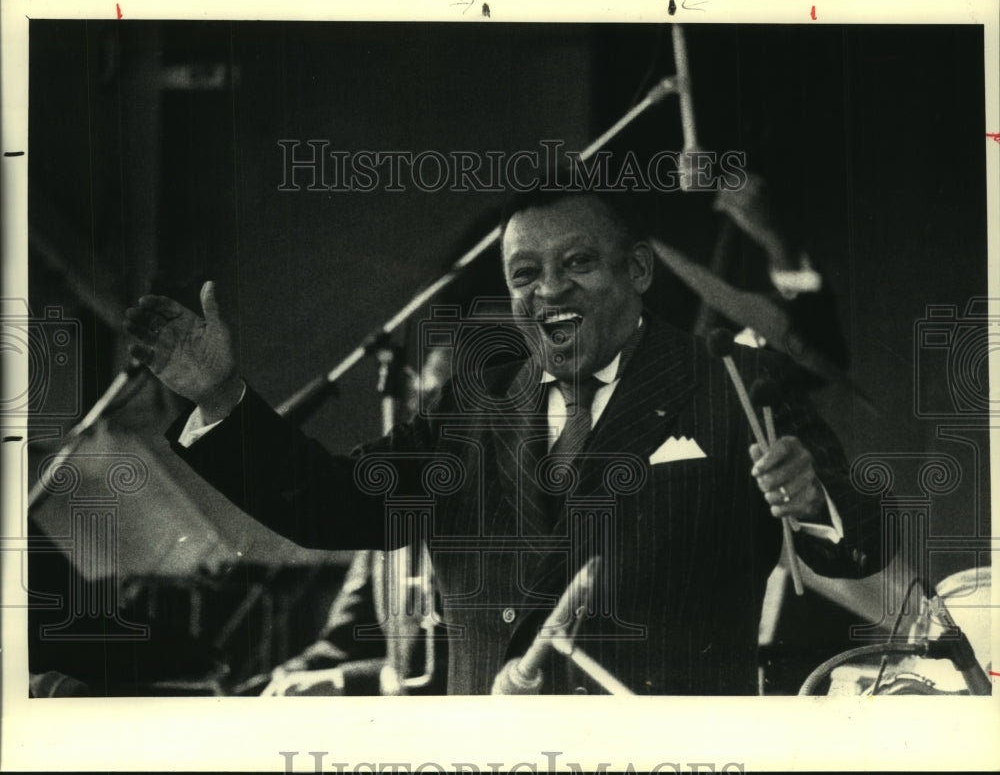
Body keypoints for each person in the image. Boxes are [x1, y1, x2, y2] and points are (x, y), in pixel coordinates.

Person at [124, 187, 887, 695]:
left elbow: (857, 545)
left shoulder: (732, 382)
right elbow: (331, 505)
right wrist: (224, 397)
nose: (549, 289)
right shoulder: (475, 409)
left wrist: (813, 502)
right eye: (526, 273)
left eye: (578, 263)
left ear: (641, 269)